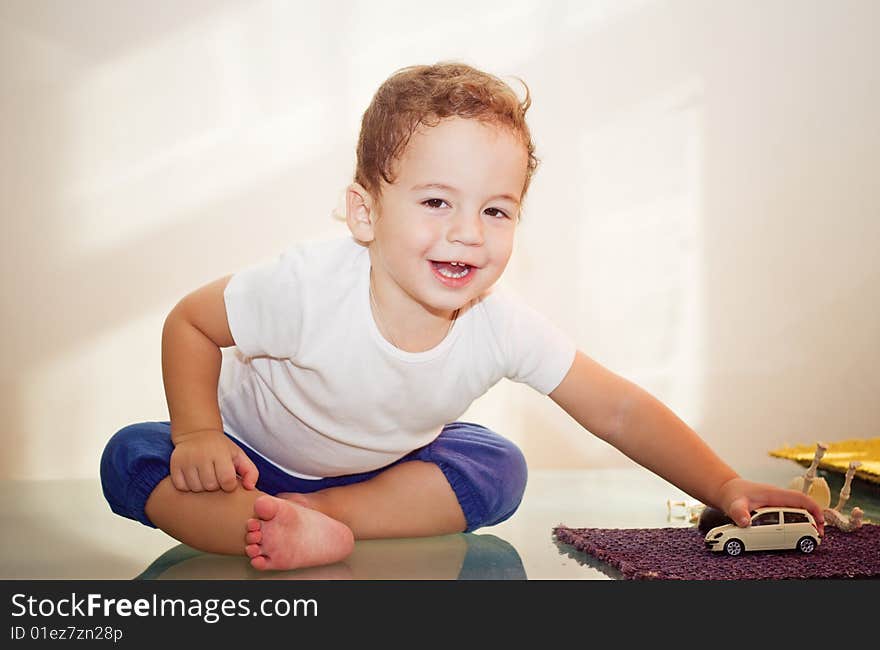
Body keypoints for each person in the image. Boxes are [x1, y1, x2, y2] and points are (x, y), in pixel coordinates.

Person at [100, 61, 824, 572]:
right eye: (436, 201)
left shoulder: (498, 324)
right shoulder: (307, 288)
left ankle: (327, 523)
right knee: (132, 456)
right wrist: (198, 433)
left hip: (379, 482)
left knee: (498, 466)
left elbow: (620, 412)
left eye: (496, 209)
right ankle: (267, 521)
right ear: (365, 212)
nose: (468, 232)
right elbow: (190, 324)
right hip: (248, 462)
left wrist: (724, 486)